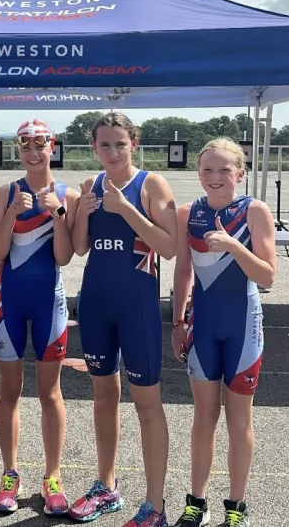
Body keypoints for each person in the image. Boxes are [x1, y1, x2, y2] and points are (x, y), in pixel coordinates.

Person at [68, 112, 177, 527]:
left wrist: (127, 209)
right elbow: (79, 247)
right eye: (104, 145)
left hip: (137, 307)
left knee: (147, 405)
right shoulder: (91, 186)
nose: (112, 152)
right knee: (103, 397)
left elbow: (168, 247)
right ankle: (106, 486)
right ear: (93, 147)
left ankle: (155, 506)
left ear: (134, 142)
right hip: (96, 303)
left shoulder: (150, 184)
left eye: (120, 143)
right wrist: (80, 209)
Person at [171, 138, 275, 527]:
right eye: (207, 170)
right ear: (198, 173)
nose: (215, 178)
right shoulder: (188, 212)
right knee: (204, 416)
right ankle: (197, 501)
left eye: (224, 170)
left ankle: (236, 506)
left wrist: (233, 245)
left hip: (243, 327)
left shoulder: (255, 211)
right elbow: (182, 271)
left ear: (241, 174)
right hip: (204, 326)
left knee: (239, 421)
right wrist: (178, 323)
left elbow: (267, 276)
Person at [0, 119, 78, 516]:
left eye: (40, 145)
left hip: (49, 302)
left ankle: (53, 476)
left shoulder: (68, 195)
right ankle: (10, 474)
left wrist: (57, 212)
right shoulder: (4, 192)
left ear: (52, 147)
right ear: (18, 151)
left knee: (50, 392)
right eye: (25, 146)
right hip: (10, 301)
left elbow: (63, 256)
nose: (33, 153)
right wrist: (10, 214)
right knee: (9, 390)